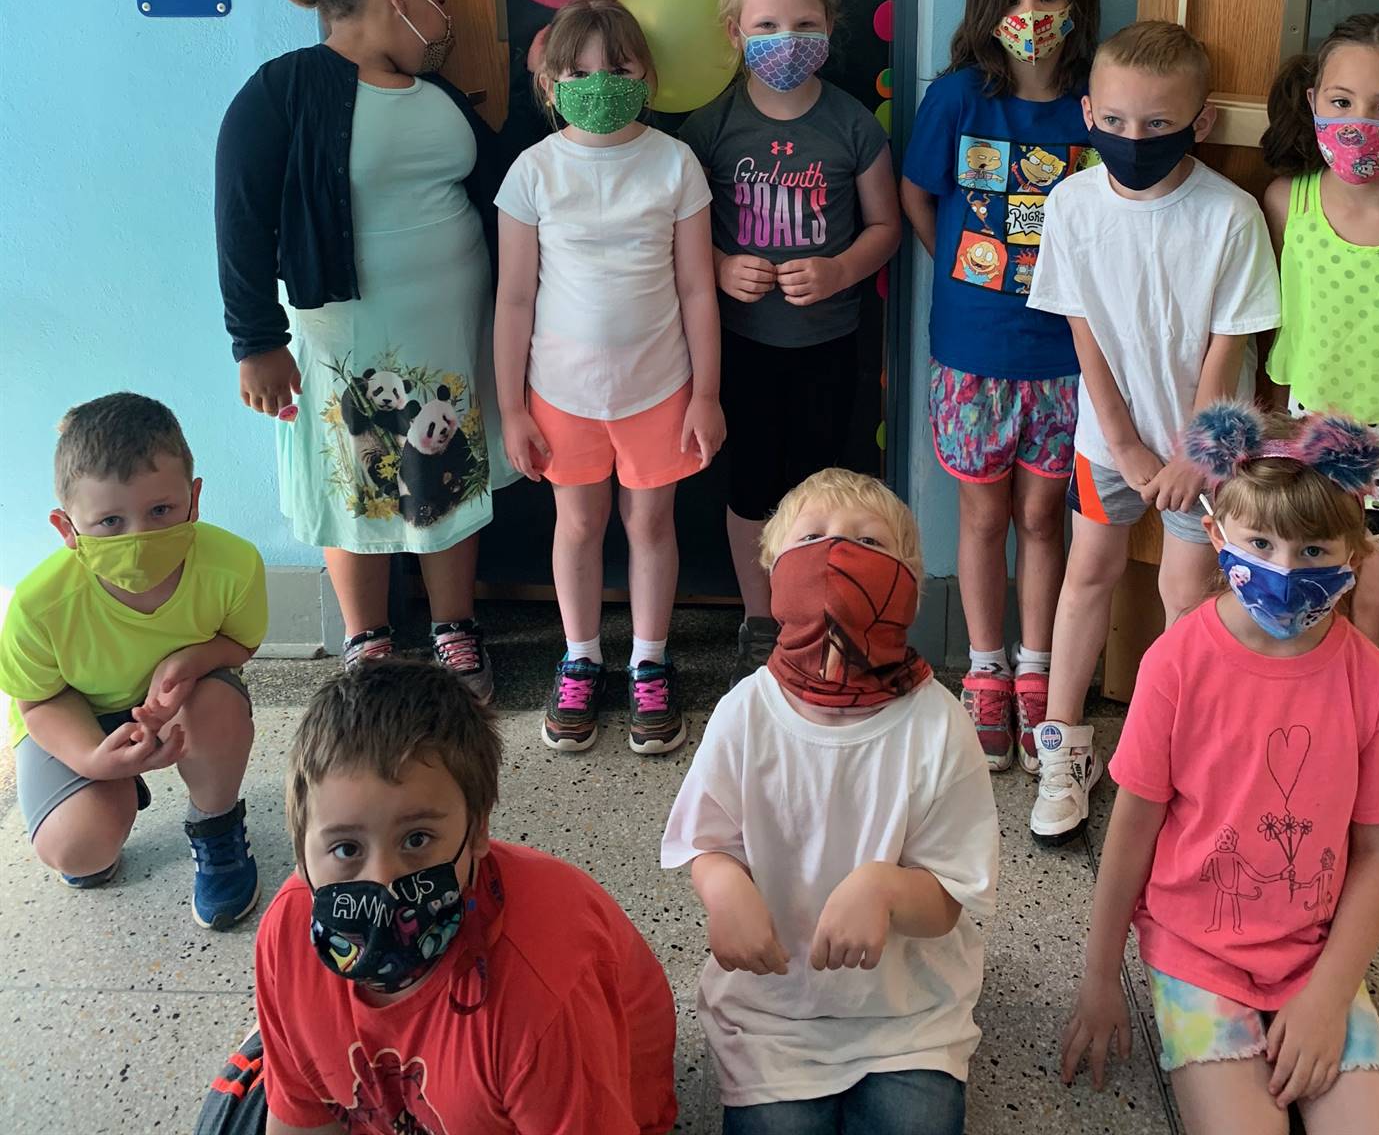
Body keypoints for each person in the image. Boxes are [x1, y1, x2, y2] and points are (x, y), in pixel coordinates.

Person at [1061, 404, 1379, 1134]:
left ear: (1356, 552)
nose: (1285, 571)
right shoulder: (1174, 662)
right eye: (1260, 542)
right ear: (1217, 533)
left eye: (1316, 551)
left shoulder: (1375, 683)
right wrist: (1101, 977)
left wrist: (1329, 993)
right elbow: (1133, 827)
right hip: (1195, 951)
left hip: (1314, 952)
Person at [215, 0, 516, 697]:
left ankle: (454, 628)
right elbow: (241, 217)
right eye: (438, 2)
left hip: (449, 327)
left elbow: (502, 189)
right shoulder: (281, 90)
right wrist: (256, 340)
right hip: (345, 331)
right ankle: (368, 639)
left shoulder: (437, 95)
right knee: (356, 471)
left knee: (444, 465)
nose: (444, 22)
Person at [662, 469, 998, 1133]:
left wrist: (885, 889)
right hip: (771, 1017)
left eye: (867, 542)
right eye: (813, 538)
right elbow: (706, 843)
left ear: (909, 584)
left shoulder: (939, 724)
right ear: (772, 570)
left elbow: (949, 897)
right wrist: (723, 888)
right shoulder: (745, 714)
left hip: (909, 1018)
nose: (837, 554)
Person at [1025, 20, 1280, 842]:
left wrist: (1193, 455)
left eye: (1160, 125)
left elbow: (1228, 345)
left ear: (1200, 122)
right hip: (1108, 450)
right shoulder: (1069, 203)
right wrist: (1127, 446)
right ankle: (1062, 746)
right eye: (1119, 122)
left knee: (1186, 596)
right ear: (1091, 112)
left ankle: (1171, 752)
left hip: (1206, 459)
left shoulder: (1230, 215)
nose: (1135, 140)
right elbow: (1083, 332)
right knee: (1087, 578)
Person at [250, 659, 678, 1135]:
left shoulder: (544, 995)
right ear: (299, 852)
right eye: (346, 848)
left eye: (416, 839)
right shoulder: (286, 935)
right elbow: (301, 1120)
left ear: (478, 832)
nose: (384, 880)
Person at [494, 0, 724, 755]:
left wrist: (708, 394)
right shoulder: (533, 172)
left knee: (650, 524)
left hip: (660, 390)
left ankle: (651, 660)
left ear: (647, 76)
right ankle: (581, 656)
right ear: (551, 81)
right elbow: (515, 296)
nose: (600, 81)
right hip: (560, 395)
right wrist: (514, 410)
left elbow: (697, 286)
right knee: (579, 524)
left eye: (618, 67)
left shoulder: (674, 162)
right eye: (580, 69)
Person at [900, 0, 1100, 770]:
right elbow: (918, 199)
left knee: (1043, 515)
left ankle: (1036, 667)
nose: (1031, 13)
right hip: (974, 350)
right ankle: (983, 670)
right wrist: (959, 273)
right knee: (983, 514)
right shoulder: (956, 98)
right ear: (988, 7)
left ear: (1075, 5)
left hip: (1066, 357)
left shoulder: (1097, 102)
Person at [681, 0, 901, 687]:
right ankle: (760, 619)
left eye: (805, 25)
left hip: (827, 345)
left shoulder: (851, 125)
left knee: (820, 490)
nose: (786, 42)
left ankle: (813, 616)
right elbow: (675, 232)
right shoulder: (711, 128)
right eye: (767, 26)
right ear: (734, 32)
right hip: (739, 346)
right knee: (749, 489)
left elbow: (886, 229)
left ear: (832, 29)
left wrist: (840, 266)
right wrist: (717, 263)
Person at [0, 393, 265, 927]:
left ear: (194, 499)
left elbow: (241, 646)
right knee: (78, 849)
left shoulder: (233, 565)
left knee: (219, 702)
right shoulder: (38, 605)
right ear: (67, 528)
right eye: (110, 522)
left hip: (178, 703)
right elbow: (38, 700)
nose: (140, 538)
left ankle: (216, 826)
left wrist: (191, 661)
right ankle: (110, 790)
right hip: (75, 714)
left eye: (161, 511)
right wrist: (92, 760)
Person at [1261, 12, 1379, 675]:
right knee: (1307, 621)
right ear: (1313, 103)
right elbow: (1273, 331)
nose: (1360, 123)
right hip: (1311, 448)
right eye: (1341, 103)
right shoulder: (1288, 203)